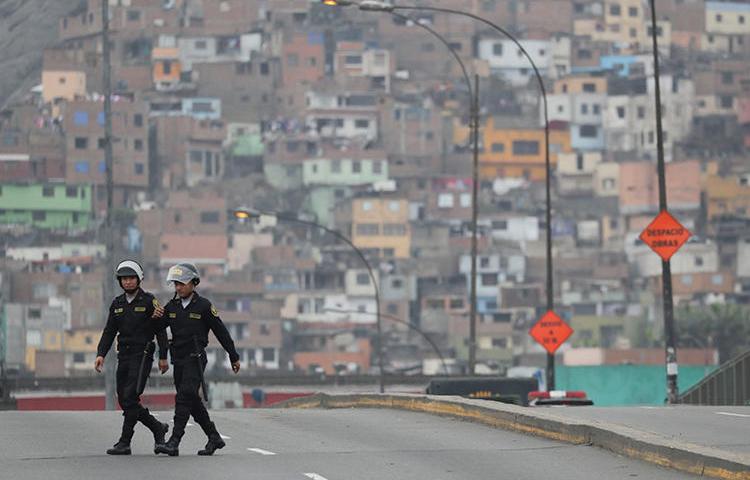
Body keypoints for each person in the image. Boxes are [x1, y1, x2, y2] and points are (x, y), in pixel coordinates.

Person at [155, 263, 240, 457]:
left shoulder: (204, 306)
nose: (178, 288)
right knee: (192, 401)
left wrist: (233, 356)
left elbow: (221, 332)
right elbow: (158, 327)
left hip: (196, 359)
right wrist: (155, 317)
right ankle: (214, 437)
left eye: (182, 284)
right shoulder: (172, 306)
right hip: (178, 359)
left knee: (184, 397)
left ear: (194, 283)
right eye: (176, 284)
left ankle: (174, 441)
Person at [95, 260, 170, 455]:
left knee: (130, 396)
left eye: (131, 278)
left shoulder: (149, 301)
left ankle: (125, 441)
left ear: (139, 279)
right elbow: (109, 331)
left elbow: (160, 329)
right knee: (124, 398)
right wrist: (101, 354)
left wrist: (163, 356)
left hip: (143, 354)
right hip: (124, 355)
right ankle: (157, 427)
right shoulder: (117, 304)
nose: (127, 282)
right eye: (124, 279)